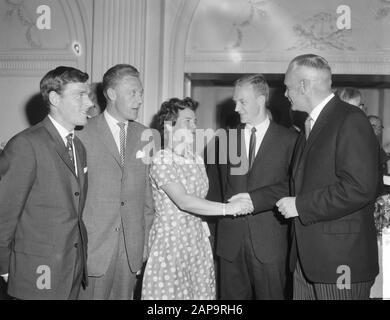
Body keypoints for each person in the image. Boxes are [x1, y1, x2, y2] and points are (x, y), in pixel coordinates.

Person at [232, 54, 379, 300]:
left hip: (340, 264)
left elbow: (360, 188)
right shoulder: (309, 126)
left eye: (288, 87)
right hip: (305, 261)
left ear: (303, 85)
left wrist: (300, 205)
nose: (285, 94)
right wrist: (252, 198)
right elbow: (295, 185)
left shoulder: (351, 119)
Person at [141, 98, 253, 300]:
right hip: (171, 244)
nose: (194, 126)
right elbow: (184, 201)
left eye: (194, 121)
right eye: (188, 121)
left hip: (197, 242)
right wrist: (229, 208)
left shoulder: (196, 159)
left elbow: (202, 199)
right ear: (168, 126)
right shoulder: (161, 159)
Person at [0, 66, 93, 299]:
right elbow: (4, 216)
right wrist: (6, 269)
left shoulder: (78, 147)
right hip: (36, 272)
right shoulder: (25, 145)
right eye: (80, 95)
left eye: (88, 95)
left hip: (71, 268)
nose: (89, 102)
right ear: (54, 99)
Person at [76, 64, 155, 300]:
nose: (139, 99)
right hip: (93, 251)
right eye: (133, 92)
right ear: (111, 94)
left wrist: (144, 244)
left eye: (141, 93)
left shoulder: (146, 136)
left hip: (130, 252)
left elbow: (148, 197)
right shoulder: (81, 133)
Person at [216, 74, 298, 300]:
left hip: (270, 243)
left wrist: (256, 199)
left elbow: (294, 186)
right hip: (230, 243)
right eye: (235, 101)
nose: (236, 107)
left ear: (261, 100)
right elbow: (218, 188)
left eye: (242, 101)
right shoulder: (225, 140)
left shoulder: (290, 140)